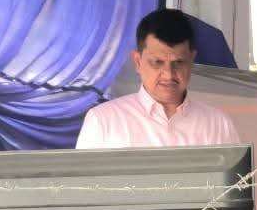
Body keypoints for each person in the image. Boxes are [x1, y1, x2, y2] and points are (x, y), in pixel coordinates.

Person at [76, 9, 239, 149]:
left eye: (178, 63)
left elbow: (234, 178)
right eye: (157, 62)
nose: (168, 74)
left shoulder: (218, 124)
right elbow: (85, 178)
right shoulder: (103, 121)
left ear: (191, 61)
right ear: (138, 62)